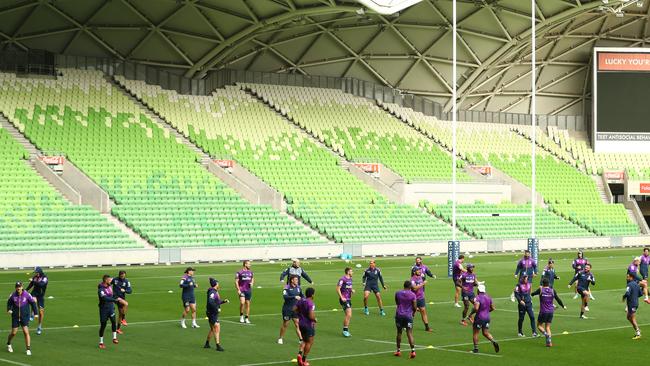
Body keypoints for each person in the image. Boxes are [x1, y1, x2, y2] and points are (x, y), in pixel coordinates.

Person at [532, 278, 566, 347]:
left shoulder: (541, 289)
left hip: (543, 311)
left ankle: (546, 334)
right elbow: (558, 299)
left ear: (542, 284)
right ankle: (549, 342)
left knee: (539, 325)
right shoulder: (552, 291)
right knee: (547, 327)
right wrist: (563, 306)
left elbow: (533, 294)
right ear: (549, 284)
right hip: (551, 311)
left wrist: (532, 293)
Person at [6, 282, 38, 356]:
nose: (18, 288)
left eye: (19, 287)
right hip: (15, 316)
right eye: (17, 287)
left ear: (22, 287)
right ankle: (9, 343)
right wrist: (9, 309)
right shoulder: (13, 295)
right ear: (15, 288)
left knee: (26, 332)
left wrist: (36, 313)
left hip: (24, 316)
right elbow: (9, 303)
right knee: (13, 333)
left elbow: (33, 303)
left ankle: (28, 349)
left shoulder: (27, 294)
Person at [98, 275, 127, 349]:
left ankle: (114, 338)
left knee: (113, 322)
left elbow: (113, 295)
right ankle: (101, 342)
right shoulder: (101, 289)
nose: (111, 281)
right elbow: (104, 298)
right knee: (103, 325)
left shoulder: (110, 287)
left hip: (111, 308)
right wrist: (114, 300)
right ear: (106, 280)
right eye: (110, 280)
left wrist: (118, 298)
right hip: (104, 309)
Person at [471, 284, 499, 354]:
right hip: (487, 318)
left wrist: (471, 313)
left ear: (478, 290)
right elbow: (493, 308)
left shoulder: (477, 298)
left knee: (475, 333)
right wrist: (487, 311)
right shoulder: (489, 297)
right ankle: (493, 341)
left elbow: (476, 308)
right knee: (485, 333)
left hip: (479, 318)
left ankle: (476, 349)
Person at [204, 278, 229, 351]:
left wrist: (223, 301)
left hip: (211, 312)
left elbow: (216, 302)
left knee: (212, 329)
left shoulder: (213, 291)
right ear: (216, 284)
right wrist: (216, 309)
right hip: (212, 313)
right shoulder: (212, 292)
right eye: (218, 283)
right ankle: (218, 345)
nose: (218, 284)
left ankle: (207, 343)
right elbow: (210, 302)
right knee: (217, 327)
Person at [394, 280, 417, 359]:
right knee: (409, 333)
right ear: (410, 286)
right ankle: (413, 351)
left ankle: (398, 350)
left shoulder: (398, 293)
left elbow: (397, 303)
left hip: (399, 315)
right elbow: (414, 307)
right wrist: (413, 313)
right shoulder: (413, 295)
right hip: (408, 316)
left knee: (399, 332)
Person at [295, 288, 316, 366]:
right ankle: (304, 360)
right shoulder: (311, 303)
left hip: (301, 324)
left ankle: (299, 353)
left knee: (304, 339)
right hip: (308, 325)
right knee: (309, 342)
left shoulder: (301, 300)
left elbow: (294, 309)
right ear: (312, 295)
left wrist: (300, 314)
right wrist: (315, 319)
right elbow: (311, 316)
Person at [278, 275, 302, 345]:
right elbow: (285, 297)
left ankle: (301, 339)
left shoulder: (298, 288)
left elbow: (302, 295)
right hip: (287, 309)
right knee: (285, 324)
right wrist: (294, 297)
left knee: (297, 324)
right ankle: (280, 338)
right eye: (296, 280)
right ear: (292, 280)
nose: (297, 281)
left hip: (295, 309)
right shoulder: (286, 288)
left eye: (297, 280)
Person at [25, 266, 47, 336]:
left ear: (40, 272)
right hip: (34, 293)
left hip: (41, 296)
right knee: (33, 301)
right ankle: (32, 314)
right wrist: (25, 291)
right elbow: (31, 285)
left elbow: (41, 284)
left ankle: (39, 326)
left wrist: (33, 281)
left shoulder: (45, 278)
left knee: (41, 312)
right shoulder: (35, 277)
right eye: (35, 273)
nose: (36, 274)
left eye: (37, 272)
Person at [410, 267, 432, 332]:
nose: (419, 271)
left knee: (423, 311)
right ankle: (407, 325)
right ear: (414, 272)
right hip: (414, 299)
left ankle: (427, 327)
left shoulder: (421, 277)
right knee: (412, 313)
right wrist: (423, 284)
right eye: (418, 270)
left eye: (420, 270)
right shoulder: (412, 279)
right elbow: (414, 288)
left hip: (421, 298)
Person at [623, 272, 643, 339]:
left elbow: (627, 293)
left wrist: (624, 297)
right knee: (628, 317)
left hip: (632, 304)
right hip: (635, 303)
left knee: (632, 318)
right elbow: (640, 294)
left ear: (631, 277)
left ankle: (638, 332)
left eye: (628, 277)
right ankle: (637, 330)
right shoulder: (636, 284)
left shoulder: (629, 285)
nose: (627, 278)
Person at [111, 270, 132, 334]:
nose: (122, 276)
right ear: (119, 275)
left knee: (120, 313)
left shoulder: (127, 282)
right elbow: (108, 283)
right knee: (126, 303)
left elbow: (130, 291)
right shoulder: (115, 280)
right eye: (121, 275)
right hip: (115, 297)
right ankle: (123, 319)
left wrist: (125, 290)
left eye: (123, 275)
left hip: (122, 298)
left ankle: (118, 329)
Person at [336, 267, 354, 337]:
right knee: (349, 314)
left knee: (349, 315)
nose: (352, 272)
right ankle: (345, 331)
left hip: (348, 299)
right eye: (351, 271)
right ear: (348, 272)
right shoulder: (342, 279)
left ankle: (346, 330)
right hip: (344, 299)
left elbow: (348, 287)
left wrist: (352, 290)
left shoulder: (350, 279)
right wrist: (341, 297)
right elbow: (337, 288)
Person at [236, 260, 254, 324]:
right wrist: (238, 290)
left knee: (248, 304)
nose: (250, 265)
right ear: (245, 264)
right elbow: (236, 281)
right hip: (242, 290)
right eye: (249, 264)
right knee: (242, 302)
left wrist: (252, 283)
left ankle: (246, 318)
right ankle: (241, 316)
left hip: (248, 290)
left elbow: (252, 279)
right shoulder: (239, 272)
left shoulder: (251, 272)